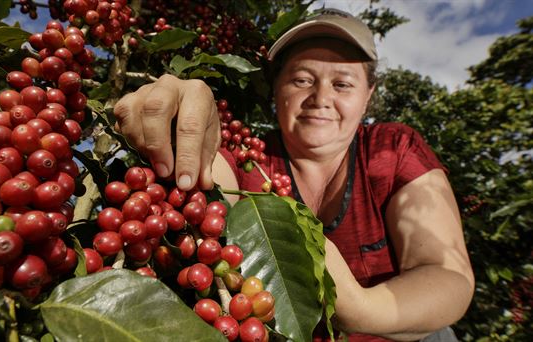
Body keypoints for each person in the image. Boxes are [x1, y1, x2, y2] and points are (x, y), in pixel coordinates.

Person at [114, 8, 475, 342]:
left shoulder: (390, 149)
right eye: (301, 80)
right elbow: (207, 182)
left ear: (368, 96)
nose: (320, 97)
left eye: (343, 84)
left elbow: (448, 275)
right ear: (276, 90)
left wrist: (359, 308)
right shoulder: (249, 159)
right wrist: (180, 131)